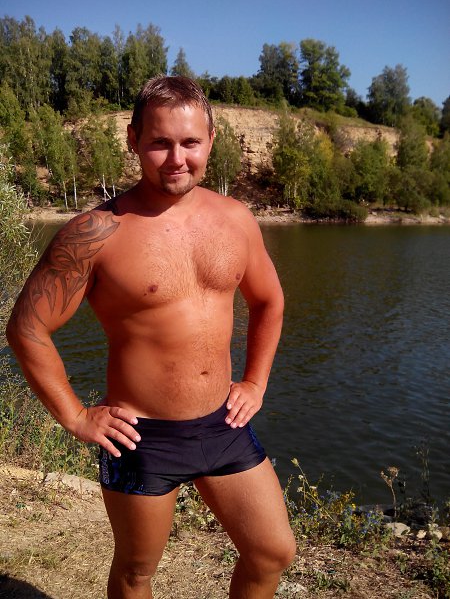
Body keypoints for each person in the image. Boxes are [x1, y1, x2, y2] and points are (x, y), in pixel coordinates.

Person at [6, 75, 296, 599]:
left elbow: (269, 301)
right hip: (141, 439)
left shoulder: (235, 219)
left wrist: (255, 382)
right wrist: (75, 415)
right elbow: (27, 328)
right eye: (160, 143)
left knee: (272, 552)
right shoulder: (95, 233)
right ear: (133, 140)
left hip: (223, 424)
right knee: (137, 571)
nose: (176, 159)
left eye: (190, 142)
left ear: (211, 140)